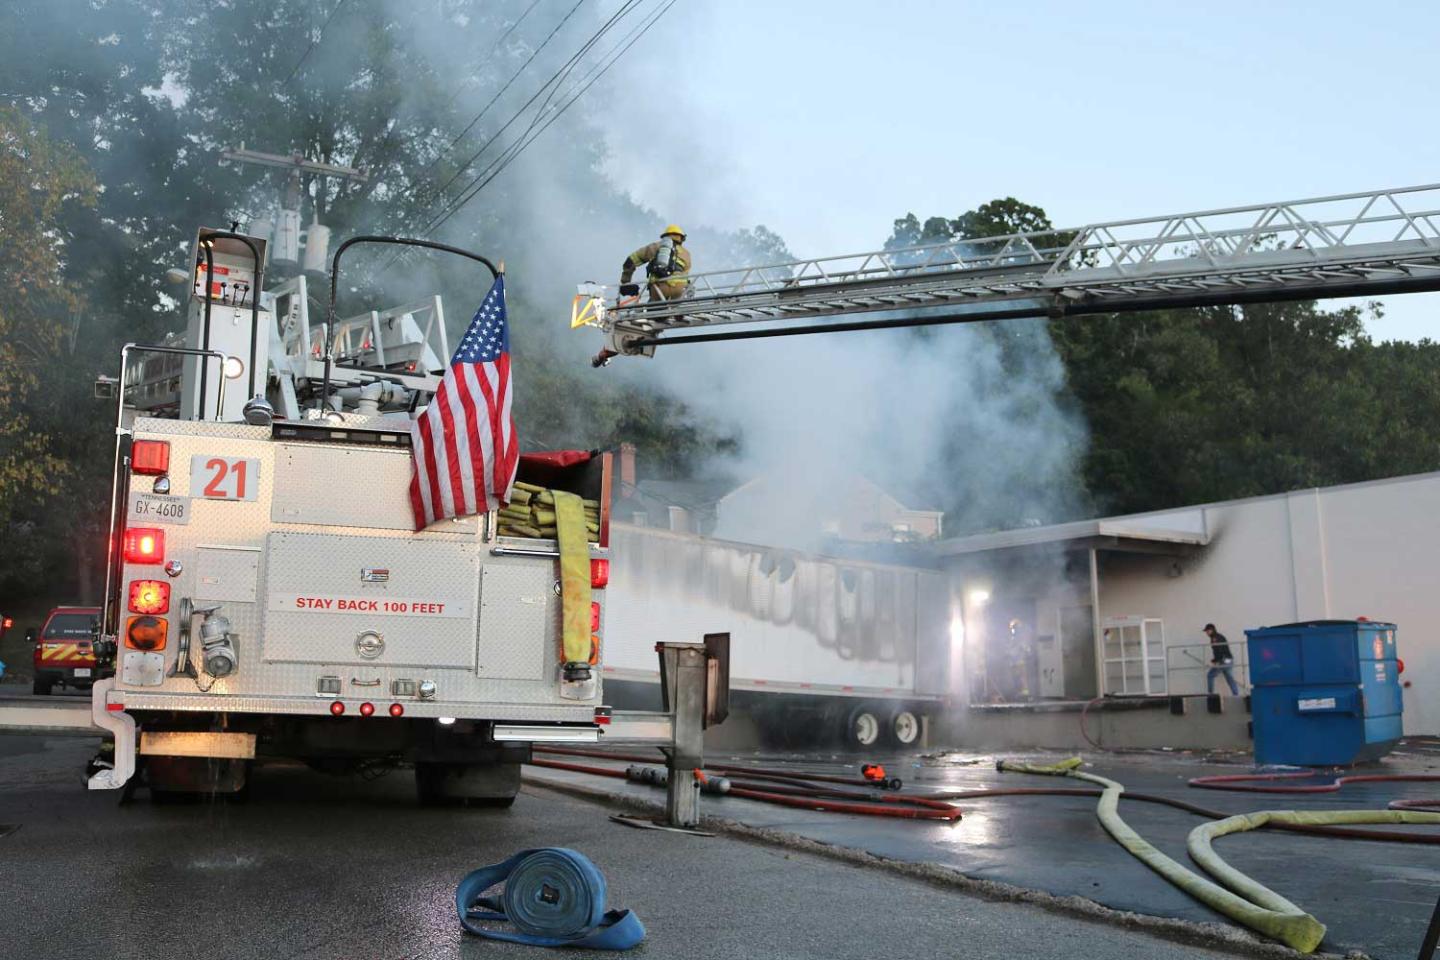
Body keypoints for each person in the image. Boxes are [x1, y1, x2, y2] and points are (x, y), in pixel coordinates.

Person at [619, 224, 691, 302]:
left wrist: (626, 283)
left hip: (659, 288)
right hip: (679, 290)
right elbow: (686, 275)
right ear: (681, 238)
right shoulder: (686, 253)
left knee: (651, 310)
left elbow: (630, 261)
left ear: (665, 236)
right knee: (673, 309)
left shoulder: (655, 247)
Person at [1204, 623, 1240, 695]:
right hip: (1229, 660)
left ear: (1212, 630)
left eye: (1207, 631)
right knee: (1229, 678)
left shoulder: (1215, 638)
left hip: (1223, 660)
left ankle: (1210, 694)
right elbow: (1221, 650)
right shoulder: (1219, 636)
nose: (1206, 633)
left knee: (1210, 675)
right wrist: (1215, 660)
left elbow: (1219, 650)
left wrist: (1216, 660)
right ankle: (1236, 694)